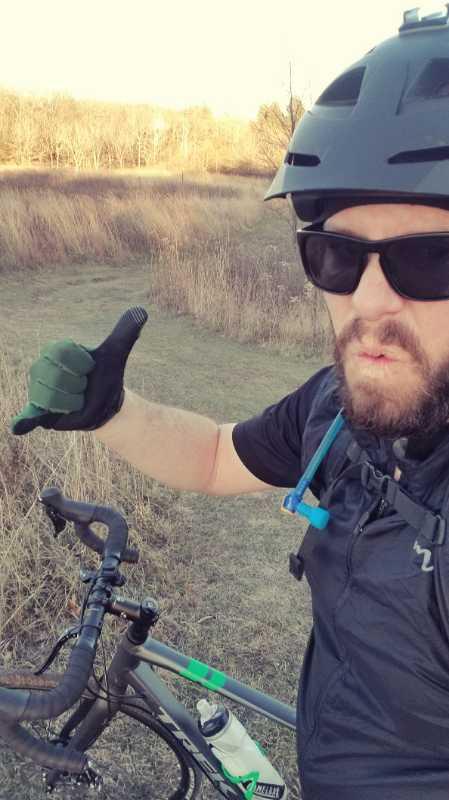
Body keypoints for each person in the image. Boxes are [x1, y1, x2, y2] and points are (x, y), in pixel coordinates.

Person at [10, 7, 449, 799]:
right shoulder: (338, 412)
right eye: (336, 256)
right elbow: (218, 455)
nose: (369, 302)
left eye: (432, 259)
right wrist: (113, 412)